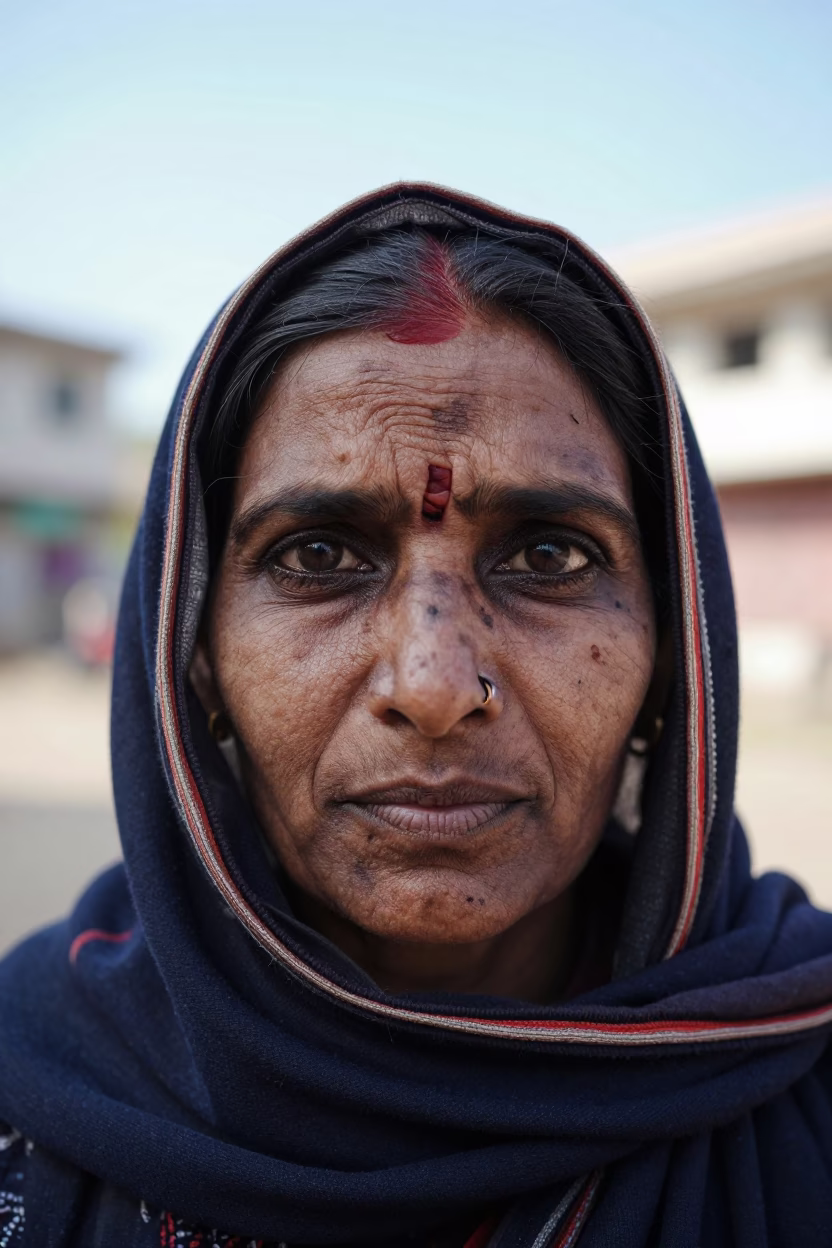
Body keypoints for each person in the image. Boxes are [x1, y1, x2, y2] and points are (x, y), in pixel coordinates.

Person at [1, 184, 831, 1248]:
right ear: (192, 655)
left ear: (676, 655)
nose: (434, 687)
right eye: (317, 557)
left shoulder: (791, 1067)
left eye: (547, 557)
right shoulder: (40, 1082)